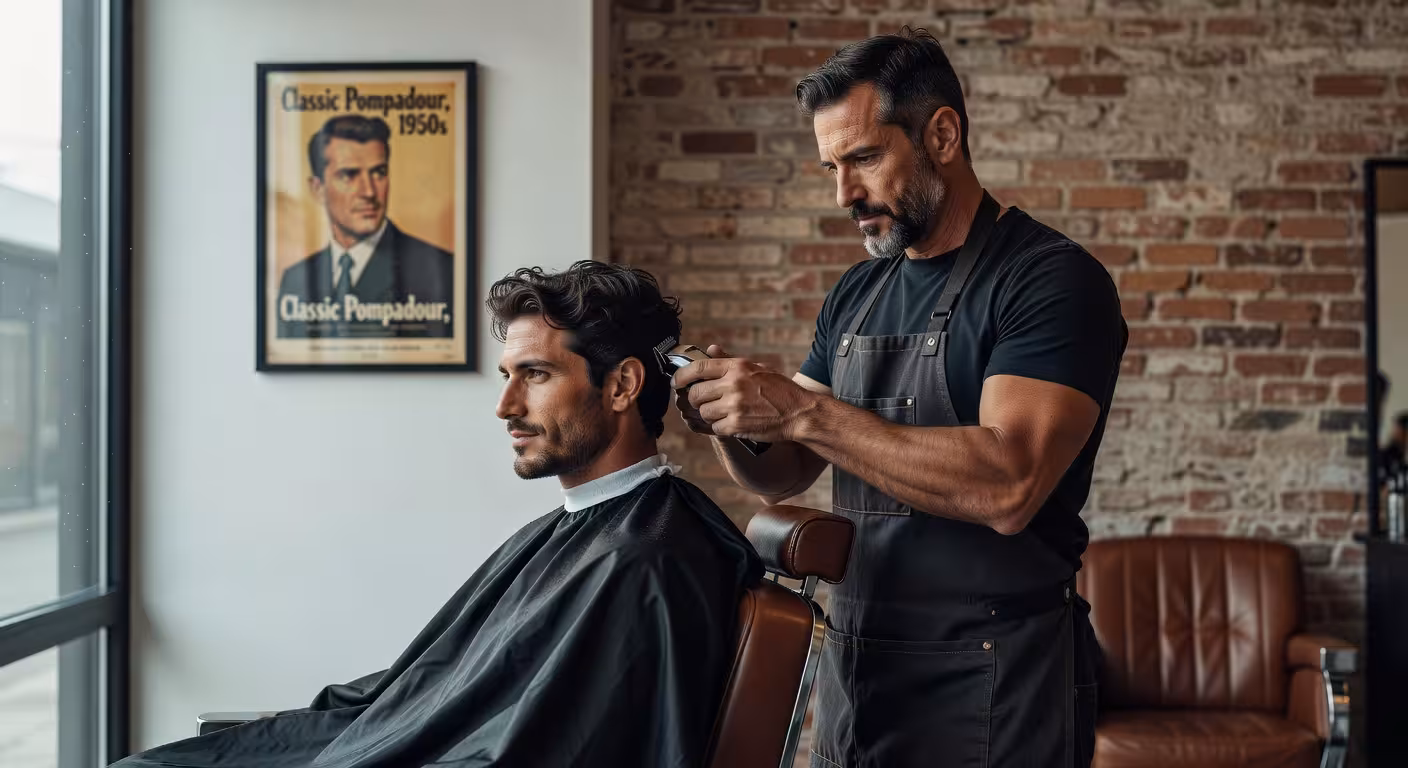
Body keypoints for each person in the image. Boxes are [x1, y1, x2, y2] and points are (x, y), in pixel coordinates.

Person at [672, 28, 1126, 768]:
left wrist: (796, 407)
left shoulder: (1050, 281)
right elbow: (784, 470)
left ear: (941, 134)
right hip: (860, 674)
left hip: (995, 685)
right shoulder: (857, 291)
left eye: (863, 159)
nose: (844, 194)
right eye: (830, 167)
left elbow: (1010, 482)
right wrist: (732, 417)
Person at [116, 261, 761, 767]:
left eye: (534, 374)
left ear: (621, 385)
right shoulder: (595, 530)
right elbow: (433, 690)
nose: (505, 406)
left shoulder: (641, 560)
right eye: (507, 375)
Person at [276, 115, 454, 339]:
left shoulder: (440, 271)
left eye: (378, 173)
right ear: (317, 189)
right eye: (349, 175)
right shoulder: (296, 280)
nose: (369, 191)